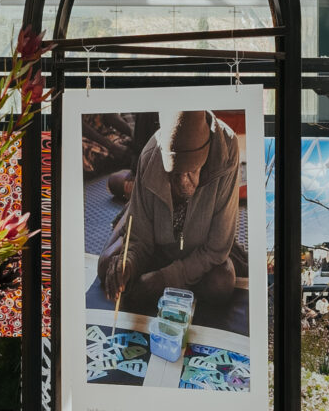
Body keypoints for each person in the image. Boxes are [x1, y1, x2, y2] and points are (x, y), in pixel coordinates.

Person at [99, 110, 244, 324]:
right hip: (158, 238)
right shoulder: (150, 156)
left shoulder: (226, 150)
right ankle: (131, 210)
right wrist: (128, 262)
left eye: (192, 171)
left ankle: (133, 206)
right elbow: (141, 239)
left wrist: (164, 279)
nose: (184, 183)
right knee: (107, 268)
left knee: (220, 284)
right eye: (176, 174)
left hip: (198, 244)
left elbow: (217, 248)